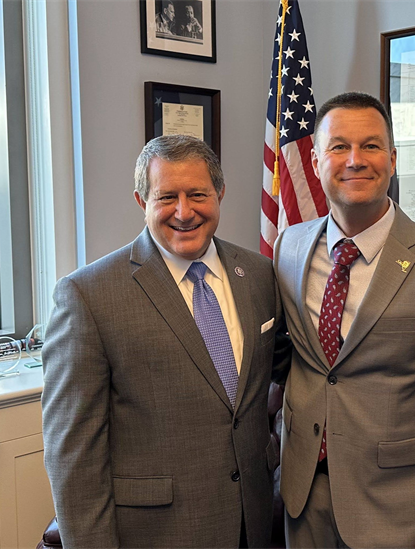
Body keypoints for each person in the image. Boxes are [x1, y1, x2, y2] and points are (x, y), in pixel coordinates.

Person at [273, 92, 415, 549]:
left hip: (401, 515)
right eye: (338, 147)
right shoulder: (288, 249)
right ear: (315, 161)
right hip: (302, 502)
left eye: (371, 146)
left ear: (393, 159)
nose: (355, 160)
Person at [42, 135, 290, 549]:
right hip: (157, 532)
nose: (184, 211)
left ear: (220, 193)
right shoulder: (88, 295)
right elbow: (73, 456)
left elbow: (285, 370)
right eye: (166, 197)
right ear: (142, 201)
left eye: (197, 194)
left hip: (256, 517)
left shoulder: (260, 274)